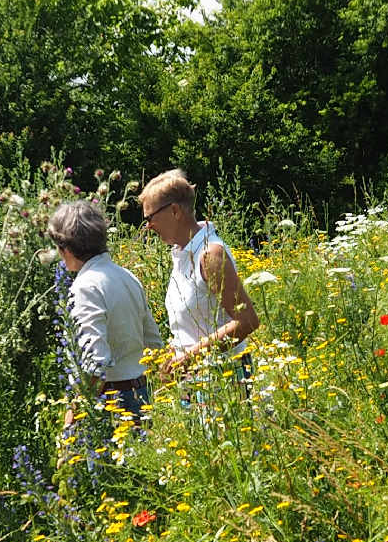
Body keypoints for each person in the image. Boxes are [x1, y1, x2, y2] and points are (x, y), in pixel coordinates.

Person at [138, 169, 259, 381]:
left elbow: (247, 320)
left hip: (224, 377)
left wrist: (188, 358)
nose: (148, 227)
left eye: (150, 218)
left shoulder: (210, 255)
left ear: (174, 211)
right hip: (196, 378)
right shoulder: (182, 254)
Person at [47, 198, 160, 423]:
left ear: (66, 248)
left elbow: (94, 363)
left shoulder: (85, 287)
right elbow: (154, 344)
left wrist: (74, 414)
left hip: (111, 403)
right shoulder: (127, 276)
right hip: (142, 394)